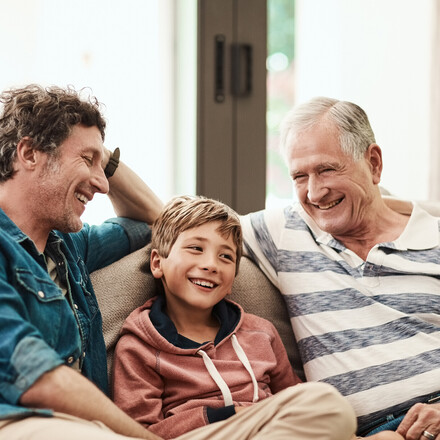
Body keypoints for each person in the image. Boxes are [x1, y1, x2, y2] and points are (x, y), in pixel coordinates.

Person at [241, 97, 440, 439]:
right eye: (299, 176)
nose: (315, 193)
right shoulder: (284, 230)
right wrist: (113, 168)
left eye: (327, 169)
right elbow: (179, 223)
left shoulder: (434, 236)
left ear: (373, 163)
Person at [112, 195, 357, 440]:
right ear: (157, 263)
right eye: (196, 248)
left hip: (271, 432)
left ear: (232, 281)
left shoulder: (261, 333)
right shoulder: (138, 347)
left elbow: (296, 400)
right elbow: (139, 432)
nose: (211, 265)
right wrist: (228, 416)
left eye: (226, 257)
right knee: (327, 402)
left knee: (324, 404)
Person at [0, 84, 164, 440]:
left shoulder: (72, 246)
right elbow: (35, 375)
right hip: (19, 422)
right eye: (87, 160)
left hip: (86, 430)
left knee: (311, 405)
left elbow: (157, 219)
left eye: (101, 165)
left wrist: (105, 159)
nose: (103, 185)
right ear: (29, 153)